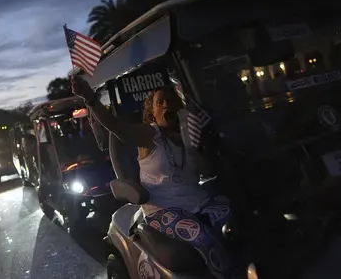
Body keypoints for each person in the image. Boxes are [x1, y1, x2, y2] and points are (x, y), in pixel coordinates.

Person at [71, 76, 235, 279]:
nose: (167, 105)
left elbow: (206, 171)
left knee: (237, 221)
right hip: (162, 210)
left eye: (171, 101)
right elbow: (117, 128)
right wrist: (90, 98)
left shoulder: (190, 133)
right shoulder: (148, 135)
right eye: (160, 102)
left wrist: (193, 148)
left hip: (198, 203)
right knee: (201, 236)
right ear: (153, 112)